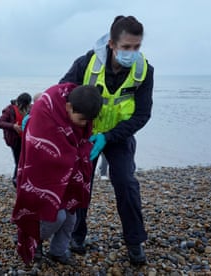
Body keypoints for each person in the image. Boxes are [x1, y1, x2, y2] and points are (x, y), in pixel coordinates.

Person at [59, 15, 154, 265]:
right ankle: (76, 236)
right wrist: (36, 114)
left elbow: (143, 114)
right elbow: (61, 92)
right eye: (126, 47)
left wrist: (109, 136)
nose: (131, 53)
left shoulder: (144, 71)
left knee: (126, 182)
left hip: (118, 136)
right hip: (85, 135)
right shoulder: (87, 63)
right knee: (80, 185)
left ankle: (134, 242)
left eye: (137, 47)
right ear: (112, 44)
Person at [11, 83, 103, 265]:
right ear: (68, 107)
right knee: (55, 217)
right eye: (82, 119)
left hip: (69, 174)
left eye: (88, 121)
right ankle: (32, 239)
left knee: (71, 216)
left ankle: (58, 251)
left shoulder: (80, 104)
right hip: (44, 174)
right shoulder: (46, 109)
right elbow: (38, 148)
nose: (84, 124)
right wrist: (69, 156)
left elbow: (80, 138)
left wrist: (84, 148)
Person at [0, 92, 32, 188]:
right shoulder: (9, 110)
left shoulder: (30, 108)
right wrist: (13, 126)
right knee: (18, 160)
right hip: (15, 140)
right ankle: (16, 180)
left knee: (26, 160)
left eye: (27, 106)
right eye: (23, 106)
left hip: (27, 139)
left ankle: (23, 179)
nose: (24, 109)